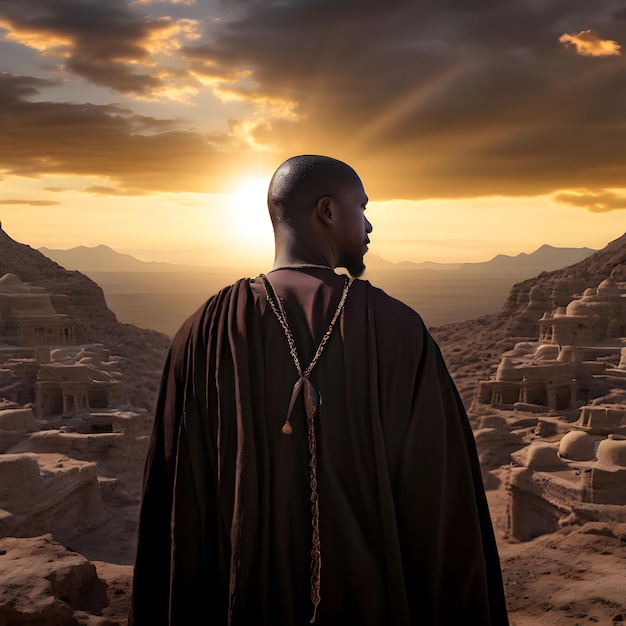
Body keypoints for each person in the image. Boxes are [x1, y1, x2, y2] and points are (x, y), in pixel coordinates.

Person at [129, 155, 509, 625]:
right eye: (362, 208)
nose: (369, 225)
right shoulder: (397, 329)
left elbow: (176, 507)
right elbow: (441, 505)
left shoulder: (202, 334)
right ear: (327, 211)